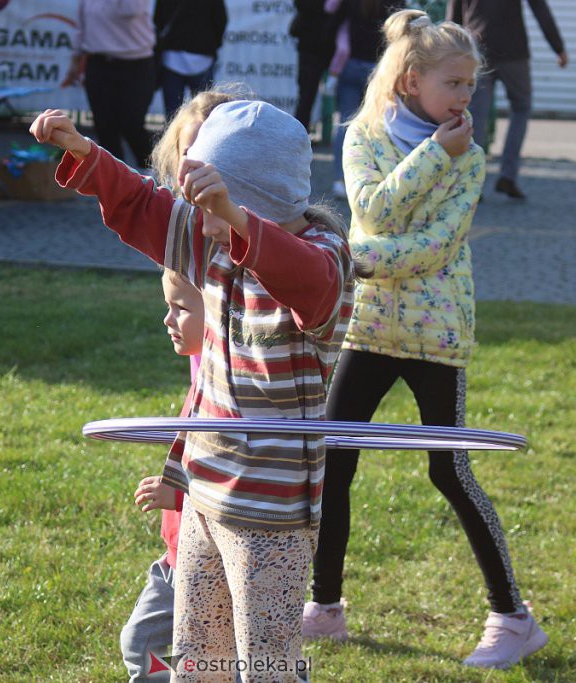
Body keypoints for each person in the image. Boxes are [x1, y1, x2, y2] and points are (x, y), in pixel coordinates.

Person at [31, 98, 353, 683]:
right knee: (199, 659)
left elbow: (307, 281)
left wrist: (230, 215)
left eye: (210, 201)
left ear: (255, 200)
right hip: (205, 491)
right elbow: (141, 204)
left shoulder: (322, 259)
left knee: (266, 664)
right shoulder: (210, 243)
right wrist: (85, 152)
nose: (195, 214)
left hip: (269, 511)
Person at [303, 9, 548, 671]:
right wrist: (432, 155)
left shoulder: (470, 150)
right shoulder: (361, 135)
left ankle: (513, 617)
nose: (467, 97)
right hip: (370, 326)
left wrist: (362, 258)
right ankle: (324, 606)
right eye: (455, 83)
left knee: (450, 468)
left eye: (471, 83)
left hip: (438, 331)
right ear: (411, 81)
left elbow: (438, 245)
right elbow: (374, 209)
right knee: (334, 461)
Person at [119, 88, 245, 683]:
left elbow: (236, 444)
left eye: (208, 155)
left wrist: (185, 490)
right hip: (188, 533)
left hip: (227, 532)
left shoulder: (236, 286)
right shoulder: (190, 257)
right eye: (185, 154)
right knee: (159, 647)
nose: (193, 169)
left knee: (231, 653)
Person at [121, 268, 203, 683]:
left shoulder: (234, 395)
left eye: (181, 308)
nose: (167, 320)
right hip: (174, 558)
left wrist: (181, 497)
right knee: (138, 643)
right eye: (167, 306)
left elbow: (237, 479)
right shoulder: (200, 372)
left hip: (208, 562)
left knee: (231, 658)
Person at [447, 0, 568, 199]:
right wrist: (558, 47)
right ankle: (508, 175)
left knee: (476, 115)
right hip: (514, 50)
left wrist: (453, 53)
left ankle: (471, 182)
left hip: (477, 49)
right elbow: (540, 9)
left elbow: (454, 18)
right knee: (521, 108)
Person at [61, 0, 156, 169]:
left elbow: (131, 10)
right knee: (105, 127)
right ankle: (114, 185)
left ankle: (157, 180)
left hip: (136, 65)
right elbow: (81, 27)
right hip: (99, 65)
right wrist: (75, 63)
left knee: (132, 125)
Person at [329, 0, 401, 198]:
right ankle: (375, 178)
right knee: (379, 125)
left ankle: (340, 180)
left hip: (351, 64)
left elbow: (334, 24)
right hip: (380, 68)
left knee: (345, 122)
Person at [153, 0, 228, 121]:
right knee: (204, 116)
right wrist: (212, 45)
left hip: (172, 58)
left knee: (173, 118)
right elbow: (221, 21)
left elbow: (158, 20)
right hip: (202, 57)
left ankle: (174, 140)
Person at [290, 0, 344, 132]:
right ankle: (300, 136)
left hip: (334, 48)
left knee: (344, 99)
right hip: (312, 46)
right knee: (306, 97)